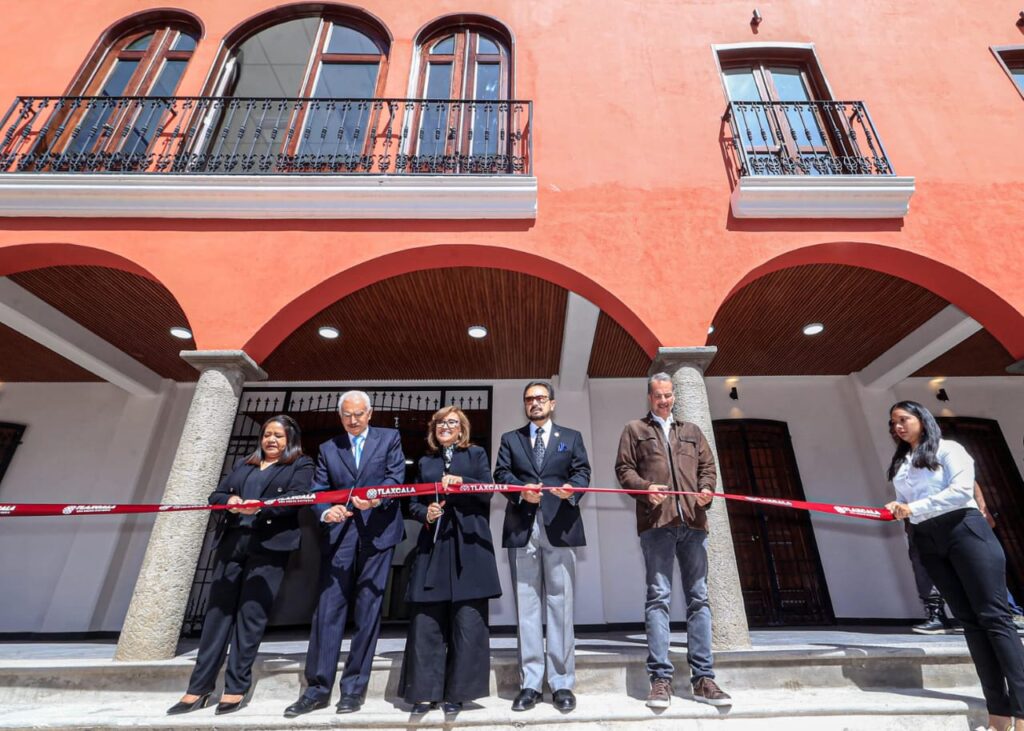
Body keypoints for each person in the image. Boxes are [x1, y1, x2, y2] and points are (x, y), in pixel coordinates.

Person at [884, 400, 1024, 731]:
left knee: (995, 619)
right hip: (928, 539)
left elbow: (961, 491)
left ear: (922, 419)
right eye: (893, 423)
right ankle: (998, 717)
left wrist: (913, 507)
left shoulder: (949, 449)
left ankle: (1022, 715)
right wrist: (898, 507)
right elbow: (908, 503)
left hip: (965, 530)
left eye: (903, 419)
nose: (898, 427)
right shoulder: (902, 463)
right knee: (970, 623)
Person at [167, 415, 314, 716]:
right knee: (216, 617)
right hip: (232, 544)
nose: (271, 440)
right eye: (267, 434)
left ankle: (236, 687)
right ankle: (199, 687)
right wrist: (232, 500)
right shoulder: (245, 464)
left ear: (290, 440)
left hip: (269, 547)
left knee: (251, 617)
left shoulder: (301, 464)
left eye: (278, 436)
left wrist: (261, 507)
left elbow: (298, 498)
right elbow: (216, 495)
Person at [284, 391, 406, 717]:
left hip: (379, 534)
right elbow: (319, 491)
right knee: (328, 610)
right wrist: (327, 511)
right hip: (340, 534)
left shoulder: (389, 438)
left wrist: (377, 498)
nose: (353, 420)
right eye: (347, 415)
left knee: (368, 610)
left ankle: (353, 690)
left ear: (370, 413)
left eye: (359, 414)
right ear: (340, 417)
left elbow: (396, 477)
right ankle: (317, 689)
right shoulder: (328, 448)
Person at [614, 373, 731, 709]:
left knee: (699, 599)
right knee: (658, 598)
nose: (663, 400)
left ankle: (704, 679)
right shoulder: (634, 429)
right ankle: (660, 680)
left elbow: (708, 467)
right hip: (657, 524)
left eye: (668, 395)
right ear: (649, 397)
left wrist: (706, 489)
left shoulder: (692, 430)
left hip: (694, 524)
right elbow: (623, 470)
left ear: (674, 396)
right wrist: (644, 489)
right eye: (658, 396)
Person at [495, 380, 591, 712]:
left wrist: (572, 490)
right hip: (522, 528)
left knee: (561, 606)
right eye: (529, 399)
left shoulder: (571, 437)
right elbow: (501, 474)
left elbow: (582, 472)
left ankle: (562, 683)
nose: (534, 403)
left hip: (560, 528)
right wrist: (521, 491)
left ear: (552, 403)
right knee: (527, 608)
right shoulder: (511, 439)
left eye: (540, 398)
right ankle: (531, 683)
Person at [398, 406, 501, 715]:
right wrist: (426, 513)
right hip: (434, 545)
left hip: (469, 544)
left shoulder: (476, 454)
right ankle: (424, 693)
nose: (445, 426)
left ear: (461, 429)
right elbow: (413, 502)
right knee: (426, 621)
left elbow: (487, 491)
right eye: (440, 422)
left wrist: (462, 482)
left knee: (468, 621)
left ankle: (458, 693)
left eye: (452, 422)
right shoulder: (425, 461)